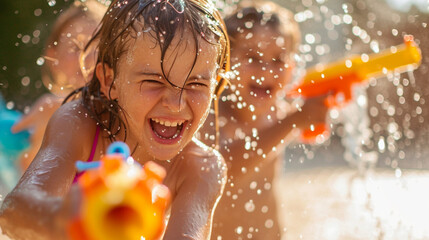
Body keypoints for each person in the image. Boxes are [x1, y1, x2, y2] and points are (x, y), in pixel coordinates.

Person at [0, 0, 230, 239]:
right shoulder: (79, 124)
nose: (176, 103)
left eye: (195, 84)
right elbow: (13, 212)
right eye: (154, 81)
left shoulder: (200, 167)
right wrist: (65, 217)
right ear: (109, 81)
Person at [200, 1, 330, 239]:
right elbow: (219, 172)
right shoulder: (211, 113)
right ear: (225, 61)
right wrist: (293, 122)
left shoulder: (282, 113)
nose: (266, 71)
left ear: (291, 68)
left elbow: (315, 129)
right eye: (252, 57)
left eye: (278, 60)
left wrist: (319, 113)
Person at [11, 0, 106, 170]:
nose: (87, 58)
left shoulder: (115, 109)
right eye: (76, 47)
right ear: (53, 58)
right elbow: (24, 178)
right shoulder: (45, 111)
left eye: (98, 48)